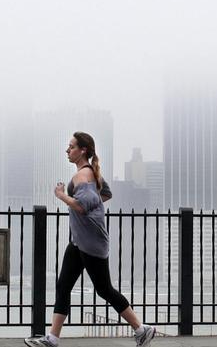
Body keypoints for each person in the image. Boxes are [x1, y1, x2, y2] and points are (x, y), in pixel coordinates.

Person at [25, 132, 156, 347]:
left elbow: (82, 206)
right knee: (63, 286)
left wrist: (61, 195)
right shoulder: (91, 174)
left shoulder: (83, 176)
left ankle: (142, 330)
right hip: (79, 241)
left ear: (83, 150)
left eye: (71, 147)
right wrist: (91, 204)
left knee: (104, 289)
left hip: (91, 243)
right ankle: (53, 338)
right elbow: (105, 194)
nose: (67, 150)